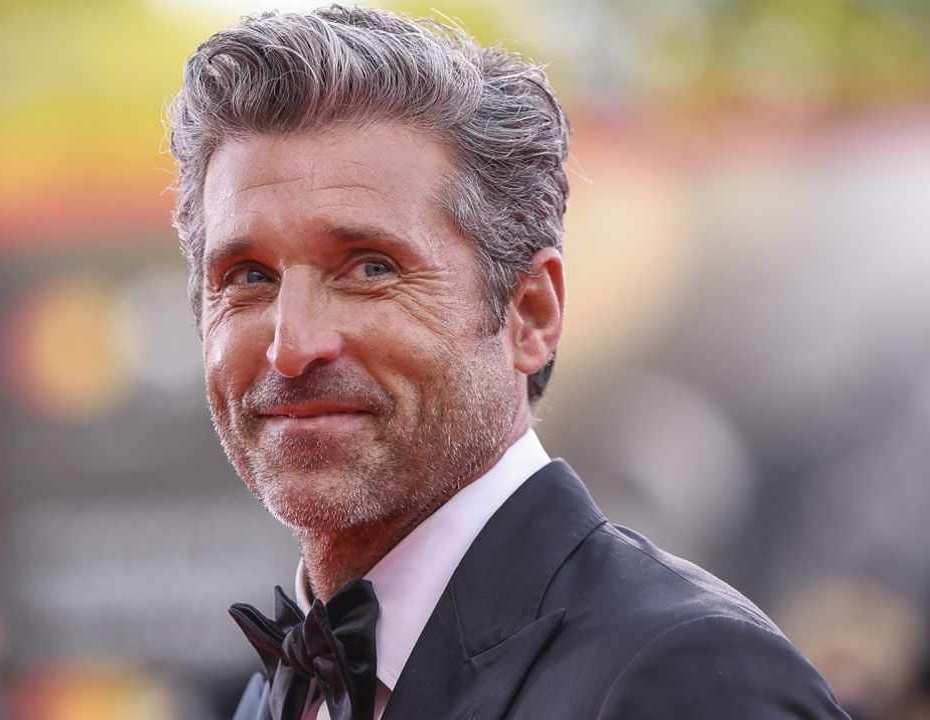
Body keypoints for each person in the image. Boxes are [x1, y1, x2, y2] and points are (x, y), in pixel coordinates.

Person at [168, 6, 848, 719]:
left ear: (531, 313)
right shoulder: (276, 695)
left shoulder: (691, 676)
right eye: (248, 277)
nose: (291, 345)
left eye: (369, 268)